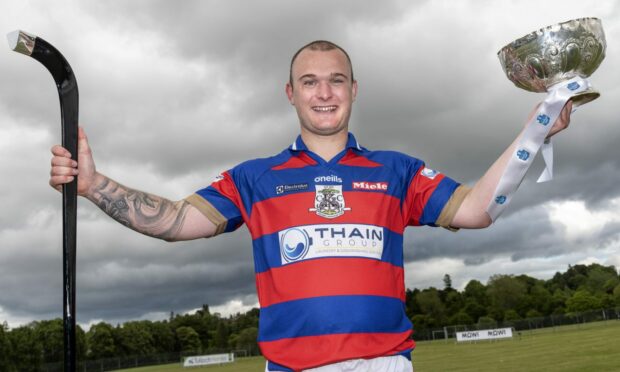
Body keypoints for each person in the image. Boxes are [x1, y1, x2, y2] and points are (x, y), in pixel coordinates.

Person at [49, 40, 572, 372]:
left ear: (354, 90)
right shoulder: (254, 177)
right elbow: (174, 221)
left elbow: (477, 210)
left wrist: (538, 126)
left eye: (336, 79)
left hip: (385, 365)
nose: (324, 92)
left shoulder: (397, 171)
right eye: (310, 81)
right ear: (290, 94)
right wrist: (95, 185)